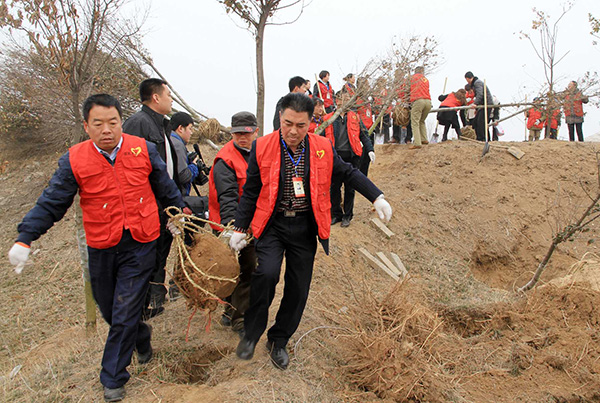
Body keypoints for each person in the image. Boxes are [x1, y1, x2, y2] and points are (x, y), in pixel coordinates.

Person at [7, 94, 188, 402]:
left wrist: (178, 213)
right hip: (102, 244)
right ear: (86, 126)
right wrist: (26, 237)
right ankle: (141, 336)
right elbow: (53, 201)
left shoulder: (142, 149)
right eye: (98, 124)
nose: (107, 130)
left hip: (141, 242)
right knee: (109, 308)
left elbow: (165, 187)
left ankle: (113, 376)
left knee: (125, 308)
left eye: (113, 122)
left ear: (121, 122)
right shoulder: (74, 159)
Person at [229, 93, 392, 370]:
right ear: (280, 118)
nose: (293, 131)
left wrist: (376, 196)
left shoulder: (322, 147)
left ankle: (279, 340)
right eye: (288, 123)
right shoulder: (262, 147)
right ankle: (251, 334)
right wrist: (240, 227)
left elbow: (348, 172)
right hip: (273, 224)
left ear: (310, 123)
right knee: (266, 274)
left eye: (300, 125)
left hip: (305, 226)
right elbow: (252, 190)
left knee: (298, 287)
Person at [122, 78, 177, 317]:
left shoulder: (161, 125)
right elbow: (130, 170)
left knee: (157, 256)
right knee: (142, 259)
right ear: (156, 97)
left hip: (162, 204)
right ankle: (136, 310)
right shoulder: (138, 124)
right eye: (168, 94)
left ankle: (147, 305)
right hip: (146, 207)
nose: (171, 99)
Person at [208, 111, 259, 336]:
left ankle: (230, 311)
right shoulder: (225, 160)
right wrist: (233, 229)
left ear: (256, 132)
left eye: (246, 133)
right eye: (237, 134)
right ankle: (240, 319)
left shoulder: (259, 153)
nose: (242, 138)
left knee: (241, 269)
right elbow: (227, 197)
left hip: (251, 223)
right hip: (229, 224)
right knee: (242, 269)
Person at [331, 92, 375, 227]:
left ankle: (348, 215)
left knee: (350, 188)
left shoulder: (355, 117)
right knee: (334, 187)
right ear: (337, 101)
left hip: (351, 157)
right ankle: (336, 214)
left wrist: (370, 149)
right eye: (343, 99)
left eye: (348, 99)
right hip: (335, 157)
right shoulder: (331, 118)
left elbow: (364, 134)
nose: (346, 101)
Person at [169, 112, 198, 196]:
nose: (191, 133)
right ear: (181, 128)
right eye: (190, 128)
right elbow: (182, 176)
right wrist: (194, 166)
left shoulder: (167, 139)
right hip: (176, 195)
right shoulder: (177, 145)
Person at [465, 71, 494, 142]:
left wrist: (475, 103)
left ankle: (483, 138)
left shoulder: (477, 83)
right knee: (476, 121)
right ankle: (479, 137)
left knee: (481, 121)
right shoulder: (475, 84)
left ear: (469, 78)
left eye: (467, 80)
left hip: (487, 104)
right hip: (481, 105)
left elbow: (480, 94)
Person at [408, 66, 432, 149]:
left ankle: (417, 142)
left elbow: (407, 88)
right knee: (422, 120)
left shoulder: (413, 78)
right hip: (428, 101)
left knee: (415, 122)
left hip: (418, 100)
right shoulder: (426, 79)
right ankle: (424, 139)